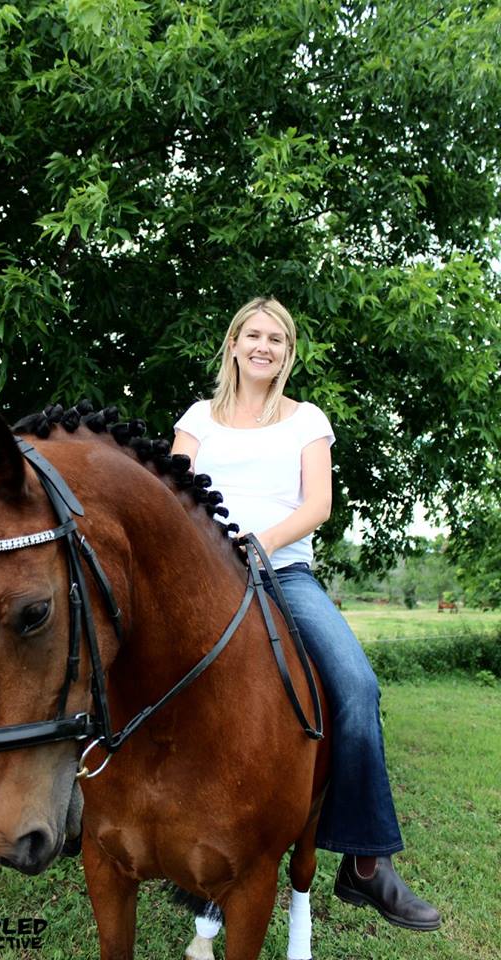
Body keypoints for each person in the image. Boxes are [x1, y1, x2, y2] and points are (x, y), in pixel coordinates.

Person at [172, 297, 441, 947]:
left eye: (277, 339)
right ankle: (86, 807)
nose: (264, 346)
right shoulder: (198, 419)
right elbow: (173, 494)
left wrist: (259, 543)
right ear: (233, 344)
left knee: (358, 687)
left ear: (287, 354)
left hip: (284, 575)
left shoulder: (306, 419)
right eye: (253, 334)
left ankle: (367, 862)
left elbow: (318, 504)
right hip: (207, 580)